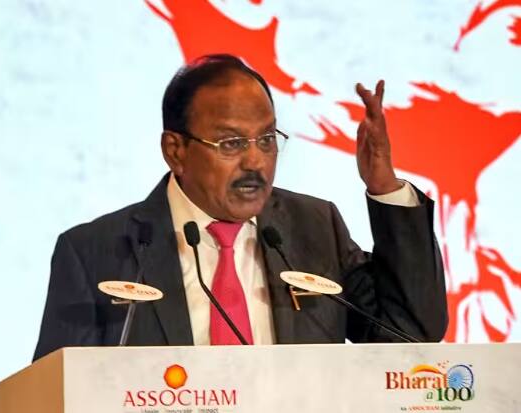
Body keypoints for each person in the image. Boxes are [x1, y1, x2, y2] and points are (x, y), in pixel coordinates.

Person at [33, 54, 447, 361]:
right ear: (175, 150)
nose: (255, 162)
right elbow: (58, 393)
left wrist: (385, 188)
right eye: (230, 143)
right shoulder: (96, 253)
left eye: (266, 140)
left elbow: (410, 334)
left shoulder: (314, 227)